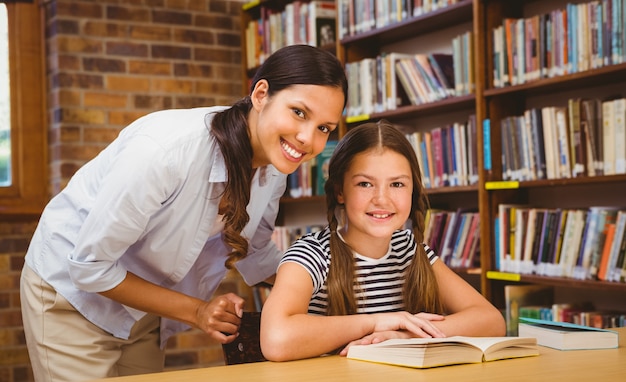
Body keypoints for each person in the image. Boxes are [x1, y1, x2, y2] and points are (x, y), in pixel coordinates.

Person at [20, 44, 348, 381]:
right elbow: (89, 267)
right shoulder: (166, 152)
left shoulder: (275, 168)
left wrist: (344, 296)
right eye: (298, 112)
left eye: (324, 128)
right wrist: (198, 311)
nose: (307, 139)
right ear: (261, 94)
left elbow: (256, 255)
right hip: (71, 293)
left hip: (141, 304)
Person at [260, 121, 505, 361]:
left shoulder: (409, 249)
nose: (382, 199)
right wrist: (375, 322)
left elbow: (491, 320)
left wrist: (406, 335)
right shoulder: (311, 254)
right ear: (340, 191)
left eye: (397, 184)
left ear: (413, 191)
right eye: (365, 184)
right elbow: (276, 339)